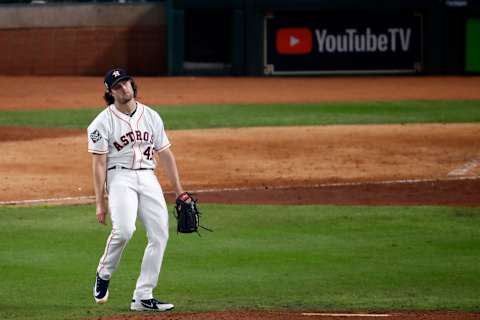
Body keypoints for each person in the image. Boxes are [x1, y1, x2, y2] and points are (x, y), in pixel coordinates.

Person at [87, 68, 188, 311]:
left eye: (126, 83)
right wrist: (100, 202)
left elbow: (165, 154)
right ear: (110, 92)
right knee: (124, 230)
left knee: (159, 234)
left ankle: (143, 296)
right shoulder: (101, 122)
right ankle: (104, 272)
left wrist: (179, 192)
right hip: (119, 177)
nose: (124, 89)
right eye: (117, 86)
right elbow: (99, 164)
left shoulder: (151, 116)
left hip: (147, 176)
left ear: (133, 85)